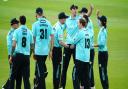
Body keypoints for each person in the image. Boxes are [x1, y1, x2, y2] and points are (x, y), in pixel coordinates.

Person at [32, 7, 54, 89]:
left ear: (37, 14)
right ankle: (36, 86)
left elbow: (33, 39)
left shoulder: (35, 24)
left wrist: (33, 51)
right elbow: (52, 36)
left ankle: (41, 86)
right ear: (42, 13)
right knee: (40, 70)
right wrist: (51, 50)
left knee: (40, 72)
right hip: (45, 51)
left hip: (38, 51)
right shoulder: (48, 23)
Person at [9, 15, 33, 89]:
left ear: (20, 21)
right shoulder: (29, 32)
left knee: (13, 76)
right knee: (26, 78)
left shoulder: (17, 31)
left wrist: (11, 55)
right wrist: (29, 55)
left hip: (18, 56)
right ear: (25, 21)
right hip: (26, 57)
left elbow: (13, 45)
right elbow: (32, 46)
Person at [60, 4, 80, 89]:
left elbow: (87, 16)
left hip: (76, 46)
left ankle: (77, 86)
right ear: (71, 10)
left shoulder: (79, 19)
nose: (75, 10)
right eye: (74, 9)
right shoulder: (67, 20)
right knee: (64, 68)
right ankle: (62, 86)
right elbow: (61, 28)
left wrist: (91, 9)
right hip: (67, 46)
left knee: (77, 67)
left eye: (76, 9)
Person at [2, 18, 22, 89]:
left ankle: (6, 86)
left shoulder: (13, 32)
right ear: (13, 25)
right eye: (17, 23)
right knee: (13, 73)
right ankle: (7, 86)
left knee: (14, 73)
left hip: (13, 55)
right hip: (13, 55)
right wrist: (11, 56)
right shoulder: (13, 33)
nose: (18, 24)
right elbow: (11, 46)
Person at [79, 5, 95, 89]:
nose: (80, 15)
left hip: (89, 49)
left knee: (88, 68)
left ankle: (89, 85)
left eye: (81, 13)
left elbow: (88, 35)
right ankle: (89, 85)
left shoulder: (87, 23)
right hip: (87, 49)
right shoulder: (86, 21)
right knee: (88, 68)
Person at [71, 18, 91, 89]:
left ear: (81, 24)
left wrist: (71, 44)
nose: (77, 24)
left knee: (74, 75)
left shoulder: (80, 32)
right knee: (86, 77)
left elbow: (73, 41)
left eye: (78, 23)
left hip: (80, 58)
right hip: (86, 59)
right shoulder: (88, 32)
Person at [52, 12, 69, 89]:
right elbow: (61, 42)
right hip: (57, 51)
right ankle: (56, 87)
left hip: (53, 49)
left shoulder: (56, 25)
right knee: (58, 70)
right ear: (62, 19)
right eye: (65, 18)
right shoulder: (59, 28)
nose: (65, 19)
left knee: (55, 69)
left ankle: (56, 86)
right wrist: (68, 46)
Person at [94, 10, 109, 89]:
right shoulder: (102, 28)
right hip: (102, 53)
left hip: (103, 54)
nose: (98, 22)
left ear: (102, 22)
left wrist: (93, 45)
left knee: (102, 72)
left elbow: (102, 44)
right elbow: (98, 22)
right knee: (102, 72)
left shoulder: (103, 31)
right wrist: (97, 16)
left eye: (99, 20)